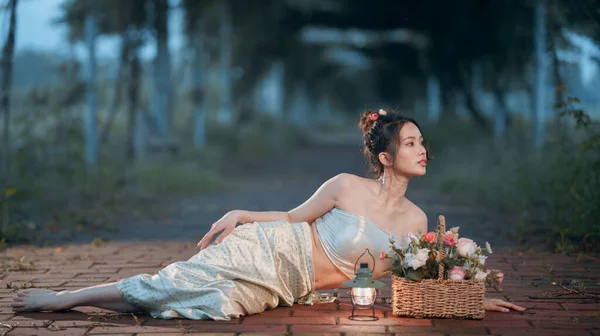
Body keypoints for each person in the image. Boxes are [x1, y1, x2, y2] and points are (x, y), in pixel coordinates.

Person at [10, 109, 525, 318]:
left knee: (209, 307)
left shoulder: (416, 222)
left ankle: (94, 299)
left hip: (288, 287)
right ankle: (64, 297)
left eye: (422, 142)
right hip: (275, 247)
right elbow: (293, 215)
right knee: (171, 282)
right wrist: (243, 214)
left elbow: (413, 285)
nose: (422, 149)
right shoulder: (344, 185)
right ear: (386, 157)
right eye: (410, 143)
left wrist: (473, 296)